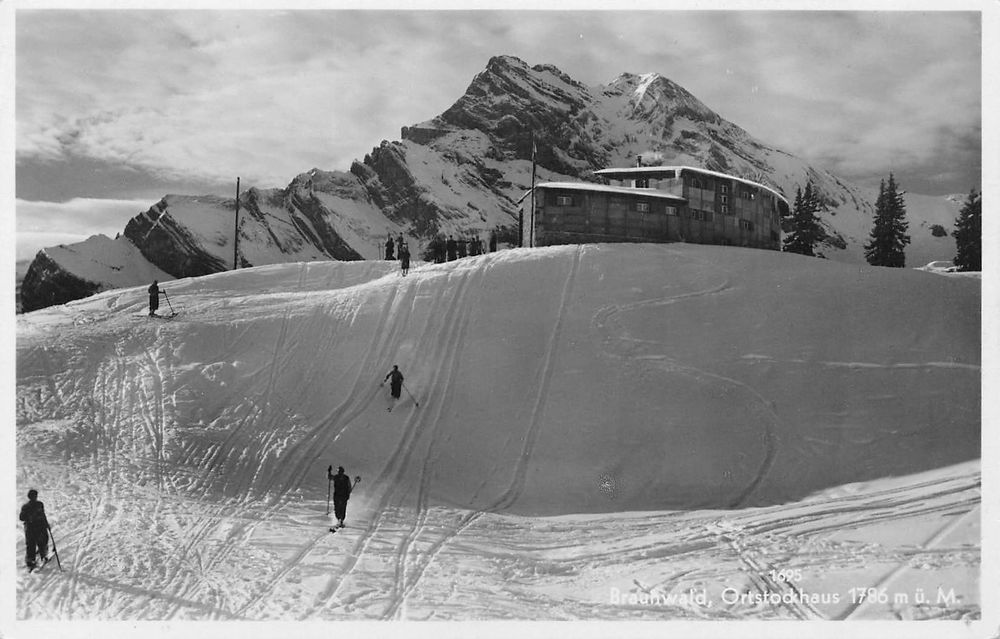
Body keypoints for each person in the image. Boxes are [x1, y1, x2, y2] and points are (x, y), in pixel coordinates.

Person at [19, 489, 49, 570]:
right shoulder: (25, 507)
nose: (34, 497)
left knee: (42, 541)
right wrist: (28, 517)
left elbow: (43, 515)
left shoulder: (40, 504)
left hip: (40, 527)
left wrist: (46, 524)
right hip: (30, 528)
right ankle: (30, 560)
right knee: (31, 544)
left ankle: (43, 555)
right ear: (30, 497)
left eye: (35, 496)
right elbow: (21, 518)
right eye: (33, 496)